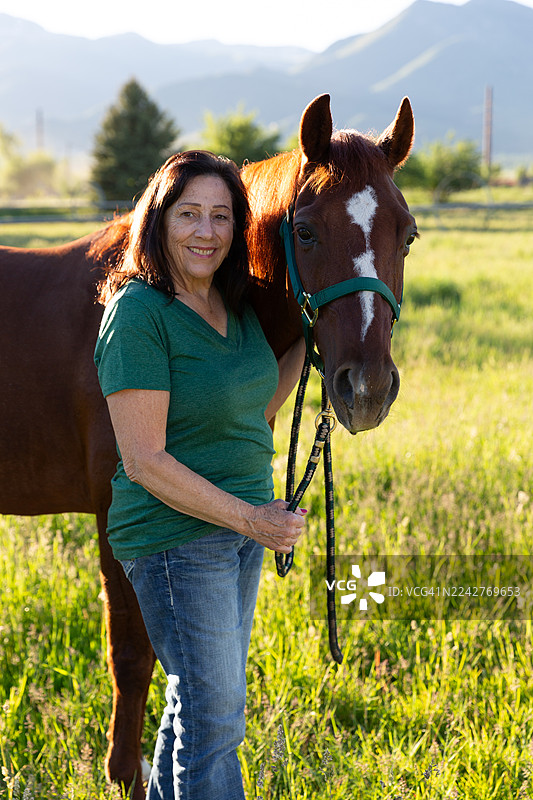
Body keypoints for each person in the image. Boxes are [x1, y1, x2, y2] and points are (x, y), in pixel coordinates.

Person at [94, 150, 306, 800]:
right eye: (189, 214)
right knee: (217, 723)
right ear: (158, 220)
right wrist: (253, 518)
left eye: (220, 216)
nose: (205, 232)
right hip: (173, 545)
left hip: (238, 535)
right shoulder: (138, 313)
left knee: (196, 707)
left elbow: (254, 406)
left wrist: (310, 338)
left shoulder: (231, 307)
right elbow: (144, 460)